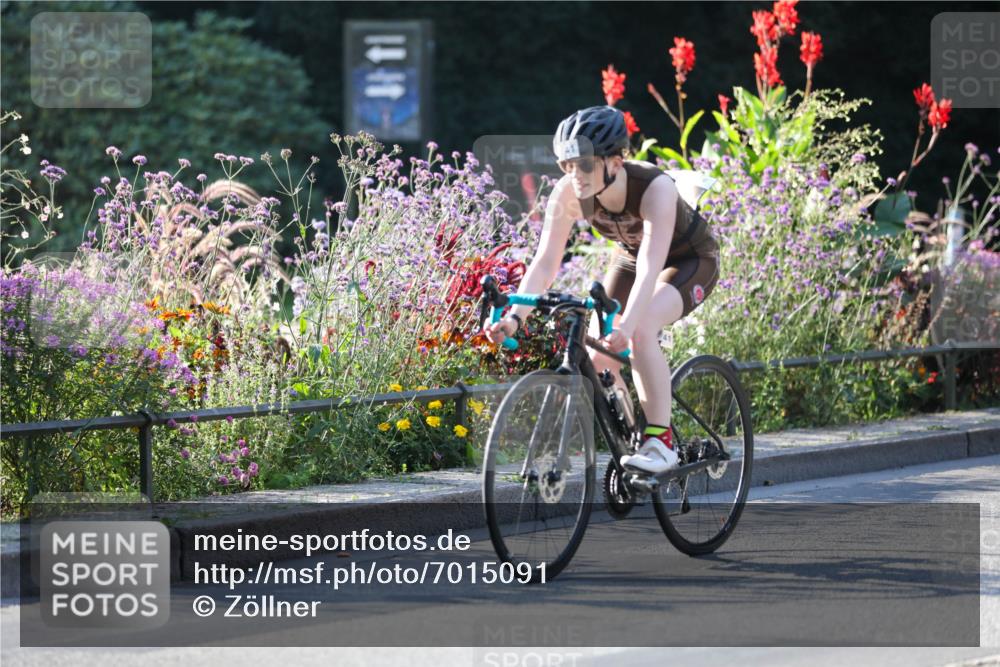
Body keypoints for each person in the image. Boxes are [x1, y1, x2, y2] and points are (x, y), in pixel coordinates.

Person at [484, 105, 720, 474]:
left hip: (688, 260)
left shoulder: (654, 188)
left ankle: (661, 443)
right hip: (629, 257)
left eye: (585, 165)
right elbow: (545, 263)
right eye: (567, 165)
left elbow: (650, 266)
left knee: (640, 329)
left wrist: (627, 326)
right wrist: (515, 318)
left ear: (615, 161)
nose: (575, 175)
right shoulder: (569, 193)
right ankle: (633, 442)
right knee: (599, 352)